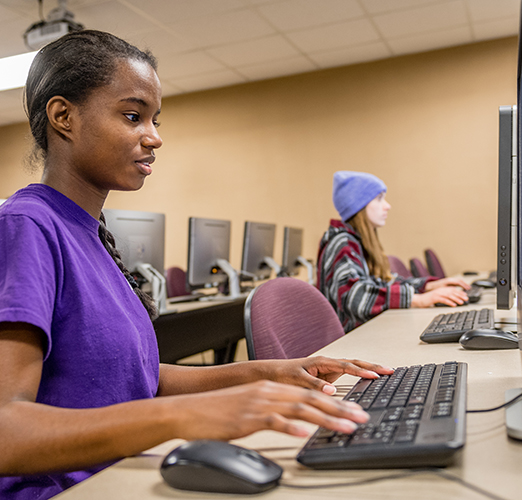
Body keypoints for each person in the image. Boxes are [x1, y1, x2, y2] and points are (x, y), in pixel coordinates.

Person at [0, 32, 394, 500]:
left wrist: (268, 373)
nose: (155, 137)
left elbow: (136, 379)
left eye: (155, 119)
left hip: (124, 474)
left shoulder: (89, 232)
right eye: (133, 116)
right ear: (64, 116)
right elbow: (7, 427)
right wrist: (185, 417)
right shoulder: (26, 227)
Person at [317, 171, 470, 333]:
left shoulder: (357, 242)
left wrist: (427, 286)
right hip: (353, 341)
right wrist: (417, 300)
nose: (387, 206)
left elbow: (383, 282)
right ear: (359, 205)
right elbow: (355, 296)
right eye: (379, 198)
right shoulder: (342, 243)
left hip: (367, 334)